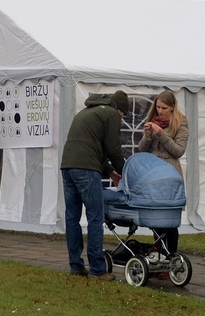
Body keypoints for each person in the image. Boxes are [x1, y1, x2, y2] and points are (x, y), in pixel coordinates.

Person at [60, 90, 129, 280]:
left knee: (72, 218)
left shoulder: (86, 112)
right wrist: (126, 173)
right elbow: (113, 149)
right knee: (95, 218)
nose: (121, 119)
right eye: (123, 115)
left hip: (67, 166)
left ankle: (76, 265)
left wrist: (110, 173)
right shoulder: (111, 114)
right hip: (86, 170)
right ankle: (98, 269)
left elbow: (89, 147)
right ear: (120, 110)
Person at [138, 90, 189, 256]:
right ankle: (159, 255)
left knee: (170, 221)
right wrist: (147, 136)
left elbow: (179, 150)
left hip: (170, 175)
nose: (160, 111)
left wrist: (162, 135)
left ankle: (172, 257)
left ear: (172, 107)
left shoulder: (181, 123)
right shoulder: (153, 120)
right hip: (154, 174)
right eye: (158, 107)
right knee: (156, 218)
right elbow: (142, 149)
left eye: (164, 108)